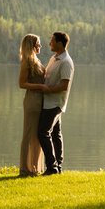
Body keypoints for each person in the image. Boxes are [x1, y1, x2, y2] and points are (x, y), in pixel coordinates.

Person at [37, 31, 74, 175]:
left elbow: (64, 85)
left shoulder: (66, 62)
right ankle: (58, 166)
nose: (49, 43)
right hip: (49, 102)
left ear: (59, 43)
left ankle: (52, 167)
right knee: (55, 134)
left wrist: (48, 89)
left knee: (43, 132)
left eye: (52, 40)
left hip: (55, 104)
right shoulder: (54, 58)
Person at [17, 34, 46, 176]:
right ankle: (25, 168)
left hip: (40, 101)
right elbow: (22, 84)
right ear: (32, 45)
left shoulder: (36, 60)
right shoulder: (27, 61)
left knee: (37, 136)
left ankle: (34, 167)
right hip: (32, 101)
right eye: (38, 44)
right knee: (29, 134)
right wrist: (40, 87)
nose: (40, 46)